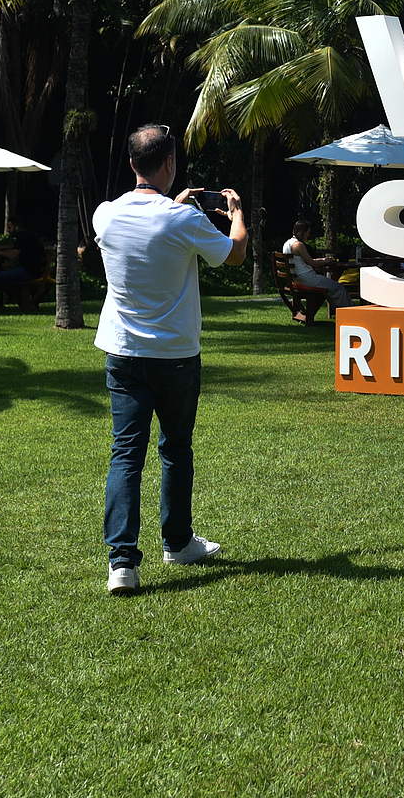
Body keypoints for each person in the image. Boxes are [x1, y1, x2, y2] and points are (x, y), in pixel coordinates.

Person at [92, 124, 247, 596]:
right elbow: (235, 255)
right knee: (175, 448)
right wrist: (237, 214)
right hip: (176, 354)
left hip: (122, 352)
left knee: (126, 454)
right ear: (168, 165)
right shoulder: (183, 221)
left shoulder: (105, 215)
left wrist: (173, 207)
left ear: (132, 164)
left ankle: (122, 562)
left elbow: (145, 233)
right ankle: (177, 542)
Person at [281, 218, 351, 312]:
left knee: (330, 287)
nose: (308, 235)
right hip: (307, 278)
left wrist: (323, 260)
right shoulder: (299, 245)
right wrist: (326, 261)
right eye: (307, 232)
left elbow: (306, 260)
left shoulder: (287, 244)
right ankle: (349, 312)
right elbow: (312, 263)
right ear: (302, 232)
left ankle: (340, 310)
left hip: (298, 278)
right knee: (338, 287)